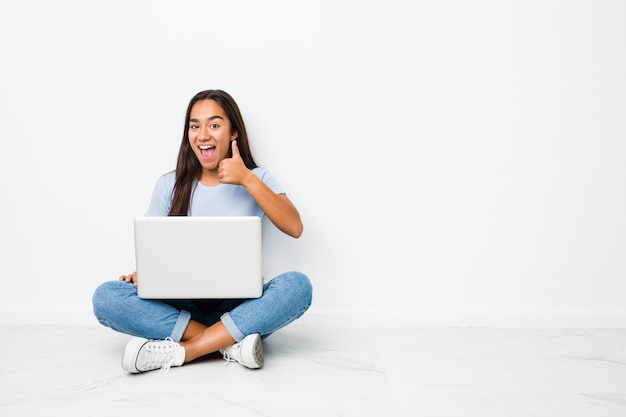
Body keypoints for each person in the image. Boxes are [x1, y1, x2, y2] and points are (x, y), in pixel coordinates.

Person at [92, 89, 313, 373]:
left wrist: (246, 178)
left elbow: (294, 227)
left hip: (239, 304)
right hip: (182, 305)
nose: (203, 134)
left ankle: (187, 350)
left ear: (233, 132)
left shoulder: (256, 178)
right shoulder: (169, 185)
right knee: (106, 296)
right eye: (194, 126)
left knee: (298, 286)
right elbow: (154, 249)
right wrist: (142, 273)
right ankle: (229, 343)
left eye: (214, 125)